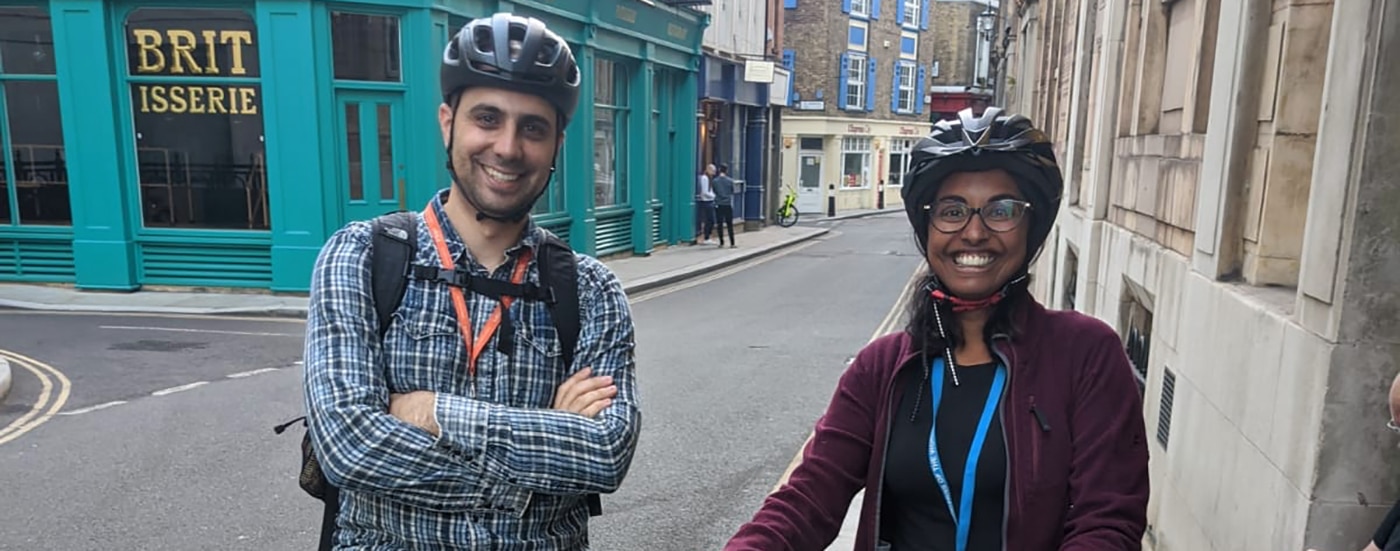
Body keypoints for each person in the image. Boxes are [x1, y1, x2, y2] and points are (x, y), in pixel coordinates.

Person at [725, 107, 1150, 550]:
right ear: (927, 227)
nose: (973, 233)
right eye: (952, 211)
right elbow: (808, 499)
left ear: (1032, 226)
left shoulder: (1084, 354)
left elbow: (1107, 521)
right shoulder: (882, 368)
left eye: (1000, 211)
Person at [302, 13, 640, 550]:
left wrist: (431, 411)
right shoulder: (362, 258)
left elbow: (604, 455)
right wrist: (544, 447)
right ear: (447, 122)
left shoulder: (592, 291)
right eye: (487, 118)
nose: (507, 148)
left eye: (533, 127)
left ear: (556, 145)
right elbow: (349, 445)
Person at [712, 163, 737, 248]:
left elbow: (714, 191)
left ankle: (721, 242)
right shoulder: (730, 181)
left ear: (719, 170)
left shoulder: (715, 181)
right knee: (729, 224)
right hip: (727, 204)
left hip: (719, 204)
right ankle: (732, 243)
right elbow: (732, 191)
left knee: (720, 224)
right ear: (726, 170)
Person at [697, 163, 717, 244]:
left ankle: (707, 237)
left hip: (710, 201)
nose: (714, 173)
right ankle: (706, 237)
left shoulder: (709, 178)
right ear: (708, 170)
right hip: (706, 202)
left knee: (710, 220)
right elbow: (705, 192)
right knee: (709, 220)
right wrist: (713, 196)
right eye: (713, 171)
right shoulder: (705, 178)